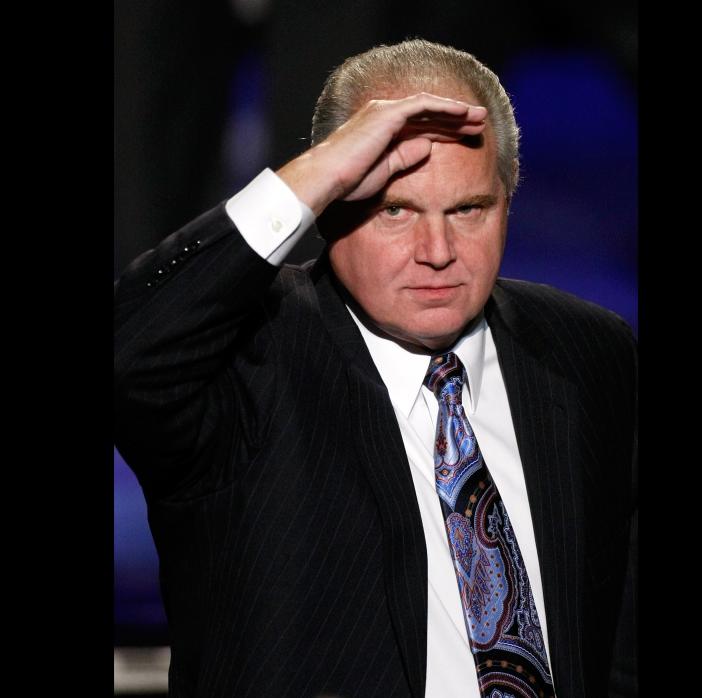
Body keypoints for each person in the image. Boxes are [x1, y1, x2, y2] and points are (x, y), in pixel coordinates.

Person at [115, 38, 636, 698]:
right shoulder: (244, 359)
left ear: (509, 200)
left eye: (468, 209)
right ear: (331, 207)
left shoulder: (588, 351)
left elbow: (615, 628)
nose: (438, 251)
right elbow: (129, 353)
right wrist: (313, 173)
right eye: (396, 210)